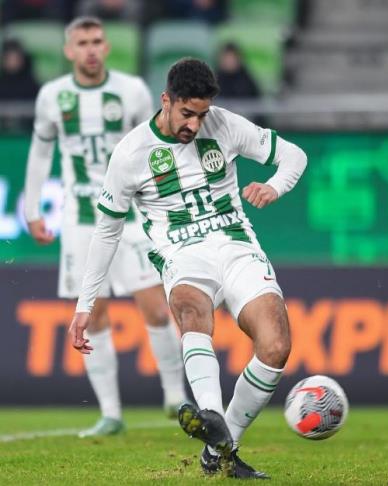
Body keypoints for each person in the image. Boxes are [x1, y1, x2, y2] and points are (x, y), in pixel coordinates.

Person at [68, 57, 307, 479]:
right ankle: (211, 414)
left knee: (276, 347)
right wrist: (85, 304)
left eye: (202, 114)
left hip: (237, 247)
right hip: (182, 254)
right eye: (186, 113)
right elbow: (106, 233)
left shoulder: (226, 125)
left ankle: (219, 447)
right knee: (193, 315)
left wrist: (273, 186)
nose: (195, 124)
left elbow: (293, 156)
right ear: (166, 100)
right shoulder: (130, 154)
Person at [22, 16, 188, 438]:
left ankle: (174, 396)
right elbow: (41, 153)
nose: (91, 49)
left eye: (97, 41)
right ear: (69, 50)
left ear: (107, 47)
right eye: (83, 42)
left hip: (130, 217)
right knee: (92, 315)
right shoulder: (52, 96)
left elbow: (153, 145)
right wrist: (32, 206)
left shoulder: (131, 90)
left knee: (154, 306)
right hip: (80, 219)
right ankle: (111, 413)